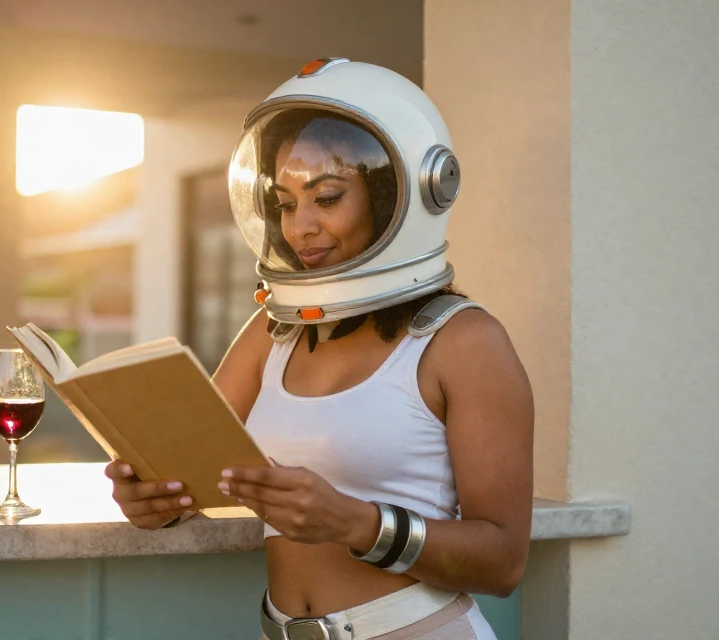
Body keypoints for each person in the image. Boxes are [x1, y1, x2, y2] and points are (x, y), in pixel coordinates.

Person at [106, 59, 534, 640]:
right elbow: (196, 468)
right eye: (284, 204)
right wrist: (154, 500)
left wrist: (356, 523)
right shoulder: (272, 333)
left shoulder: (464, 342)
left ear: (394, 200)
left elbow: (503, 562)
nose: (298, 227)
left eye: (326, 197)